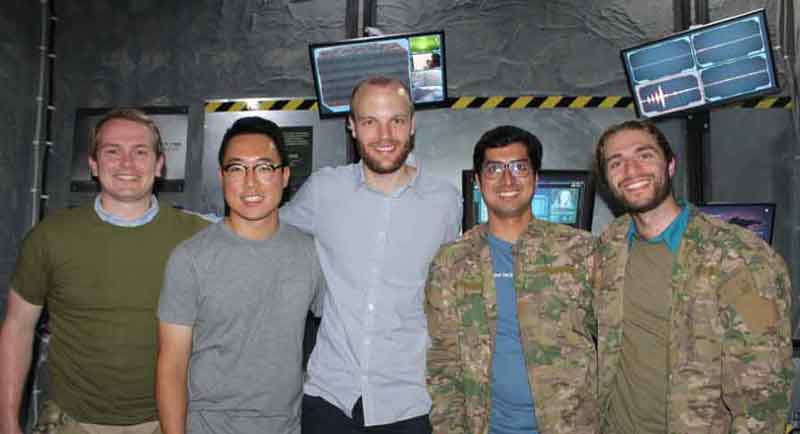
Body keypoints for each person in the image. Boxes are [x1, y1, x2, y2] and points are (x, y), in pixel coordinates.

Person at [0, 108, 210, 434]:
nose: (127, 164)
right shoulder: (50, 237)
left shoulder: (197, 238)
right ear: (94, 164)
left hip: (170, 422)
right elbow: (17, 328)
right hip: (73, 422)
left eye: (140, 152)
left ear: (159, 164)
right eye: (113, 151)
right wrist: (7, 423)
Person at [281, 76, 461, 434]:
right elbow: (261, 228)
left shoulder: (445, 202)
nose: (384, 135)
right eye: (369, 122)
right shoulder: (324, 191)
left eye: (396, 120)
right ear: (351, 126)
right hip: (330, 396)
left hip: (410, 401)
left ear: (413, 124)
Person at [593, 119, 792, 434]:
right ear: (606, 180)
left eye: (644, 155)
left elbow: (764, 388)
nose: (631, 171)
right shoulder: (609, 246)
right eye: (616, 163)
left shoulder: (741, 257)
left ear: (671, 165)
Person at [425, 126, 598, 434]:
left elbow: (611, 345)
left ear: (536, 177)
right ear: (478, 182)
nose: (507, 180)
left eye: (519, 167)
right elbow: (443, 359)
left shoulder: (581, 253)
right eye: (494, 169)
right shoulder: (452, 262)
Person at [156, 117, 323, 434]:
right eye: (237, 169)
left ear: (285, 176)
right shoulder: (190, 258)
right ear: (222, 177)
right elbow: (171, 365)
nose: (250, 183)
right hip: (207, 426)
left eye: (263, 168)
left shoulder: (310, 254)